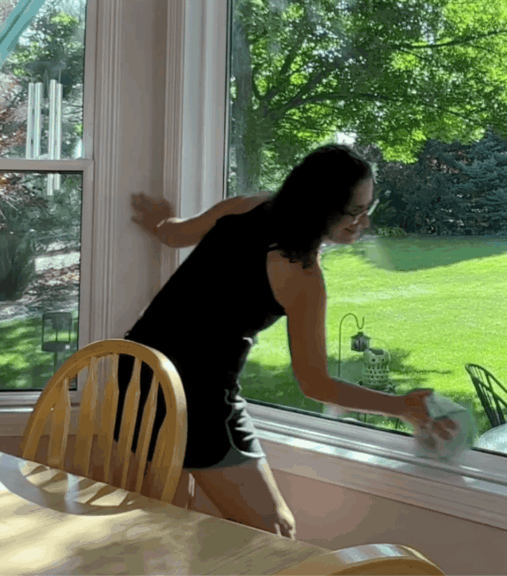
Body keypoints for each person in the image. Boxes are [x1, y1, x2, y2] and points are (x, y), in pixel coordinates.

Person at [123, 144, 456, 539]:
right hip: (193, 397)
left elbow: (175, 234)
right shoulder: (301, 275)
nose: (364, 221)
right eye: (354, 212)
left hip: (135, 374)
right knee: (276, 534)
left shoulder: (246, 205)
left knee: (170, 532)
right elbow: (314, 384)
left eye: (370, 206)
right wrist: (399, 406)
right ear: (319, 207)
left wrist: (160, 222)